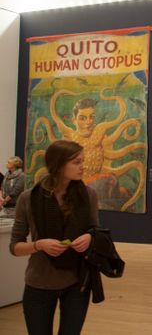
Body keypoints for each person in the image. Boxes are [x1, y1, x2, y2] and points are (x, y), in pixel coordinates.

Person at [9, 139, 99, 335]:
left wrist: (89, 238)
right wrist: (39, 245)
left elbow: (96, 231)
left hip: (78, 282)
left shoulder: (88, 195)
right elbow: (15, 247)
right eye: (76, 162)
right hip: (40, 282)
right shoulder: (28, 198)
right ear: (58, 164)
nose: (83, 167)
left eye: (83, 161)